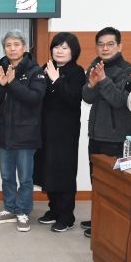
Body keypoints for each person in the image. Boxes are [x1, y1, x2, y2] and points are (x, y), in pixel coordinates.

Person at [0, 30, 46, 233]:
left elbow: (34, 98)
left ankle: (22, 211)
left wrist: (12, 83)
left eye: (16, 44)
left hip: (26, 134)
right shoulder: (0, 68)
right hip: (4, 131)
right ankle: (10, 208)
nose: (12, 49)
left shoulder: (35, 71)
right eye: (8, 45)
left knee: (25, 178)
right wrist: (2, 84)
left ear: (24, 47)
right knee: (6, 176)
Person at [81, 26, 131, 238]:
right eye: (101, 44)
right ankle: (99, 218)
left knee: (114, 184)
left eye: (110, 44)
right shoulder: (95, 65)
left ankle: (110, 225)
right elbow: (87, 98)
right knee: (97, 180)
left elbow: (119, 101)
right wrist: (92, 84)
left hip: (116, 138)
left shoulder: (128, 71)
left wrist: (103, 79)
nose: (105, 48)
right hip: (95, 135)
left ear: (119, 46)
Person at [34, 32, 86, 233]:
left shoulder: (77, 72)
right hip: (45, 128)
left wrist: (56, 81)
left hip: (65, 130)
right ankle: (54, 210)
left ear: (73, 51)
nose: (59, 51)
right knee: (48, 168)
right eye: (56, 47)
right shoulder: (46, 67)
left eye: (65, 48)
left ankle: (66, 216)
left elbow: (73, 99)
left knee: (64, 171)